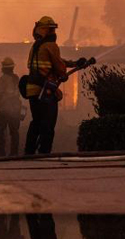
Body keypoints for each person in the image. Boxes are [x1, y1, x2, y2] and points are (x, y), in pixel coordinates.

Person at [24, 16, 86, 155]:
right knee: (49, 123)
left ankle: (29, 152)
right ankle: (44, 152)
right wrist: (62, 74)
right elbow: (59, 66)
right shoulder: (51, 45)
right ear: (44, 30)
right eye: (51, 29)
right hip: (45, 91)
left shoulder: (35, 46)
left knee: (37, 122)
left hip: (33, 90)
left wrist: (74, 63)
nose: (53, 32)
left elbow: (55, 61)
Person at [0, 57, 23, 157]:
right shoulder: (16, 78)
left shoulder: (4, 79)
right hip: (16, 109)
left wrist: (0, 102)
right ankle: (14, 153)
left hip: (5, 109)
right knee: (14, 131)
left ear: (3, 68)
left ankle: (1, 152)